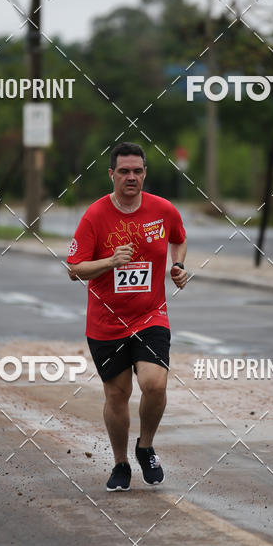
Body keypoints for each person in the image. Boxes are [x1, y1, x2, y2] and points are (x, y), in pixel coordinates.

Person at [67, 142, 188, 491]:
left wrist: (178, 266)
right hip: (106, 323)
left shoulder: (163, 210)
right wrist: (109, 262)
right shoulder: (95, 215)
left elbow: (179, 239)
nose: (131, 177)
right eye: (124, 171)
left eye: (137, 171)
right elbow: (74, 269)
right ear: (111, 175)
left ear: (145, 173)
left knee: (155, 384)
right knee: (117, 396)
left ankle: (145, 446)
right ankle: (120, 463)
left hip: (151, 314)